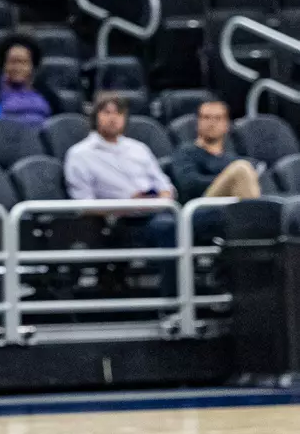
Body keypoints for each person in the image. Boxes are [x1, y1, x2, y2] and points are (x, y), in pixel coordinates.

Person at [64, 93, 177, 290]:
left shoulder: (139, 148)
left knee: (187, 224)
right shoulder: (79, 154)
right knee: (168, 228)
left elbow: (165, 185)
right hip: (118, 221)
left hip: (155, 211)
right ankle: (173, 301)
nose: (113, 118)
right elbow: (83, 204)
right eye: (106, 112)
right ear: (95, 117)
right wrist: (127, 204)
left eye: (118, 113)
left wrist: (162, 195)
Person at [172, 98, 260, 243]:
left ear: (226, 124)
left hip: (232, 208)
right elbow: (189, 184)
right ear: (198, 122)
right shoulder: (185, 152)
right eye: (206, 117)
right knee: (241, 169)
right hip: (200, 206)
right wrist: (229, 181)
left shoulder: (231, 158)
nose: (211, 123)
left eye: (218, 118)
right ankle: (256, 236)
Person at [0, 33, 53, 129]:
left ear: (32, 66)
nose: (17, 67)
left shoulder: (47, 93)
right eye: (13, 61)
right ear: (4, 64)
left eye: (23, 62)